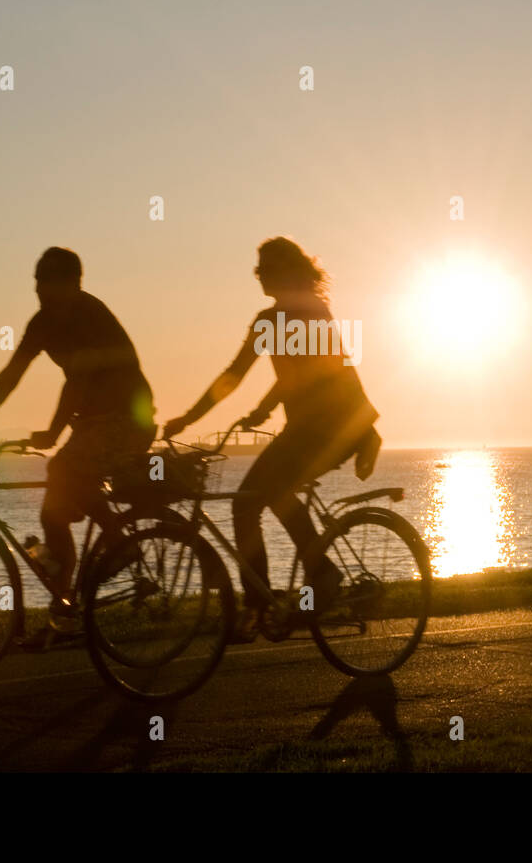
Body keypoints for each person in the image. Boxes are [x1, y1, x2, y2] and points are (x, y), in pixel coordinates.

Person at [162, 237, 381, 642]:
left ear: (284, 273)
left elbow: (317, 372)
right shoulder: (271, 319)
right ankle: (296, 586)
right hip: (309, 428)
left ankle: (273, 596)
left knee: (249, 501)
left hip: (333, 427)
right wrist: (247, 410)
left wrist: (193, 417)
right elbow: (238, 375)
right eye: (257, 269)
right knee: (268, 495)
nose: (258, 275)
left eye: (264, 268)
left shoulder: (310, 312)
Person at [0, 247, 156, 634]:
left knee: (62, 468)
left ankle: (121, 545)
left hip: (129, 419)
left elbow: (80, 377)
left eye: (49, 282)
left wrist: (54, 430)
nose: (40, 290)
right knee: (52, 514)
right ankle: (64, 606)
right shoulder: (42, 323)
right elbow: (12, 374)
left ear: (74, 284)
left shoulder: (89, 315)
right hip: (93, 424)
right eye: (36, 281)